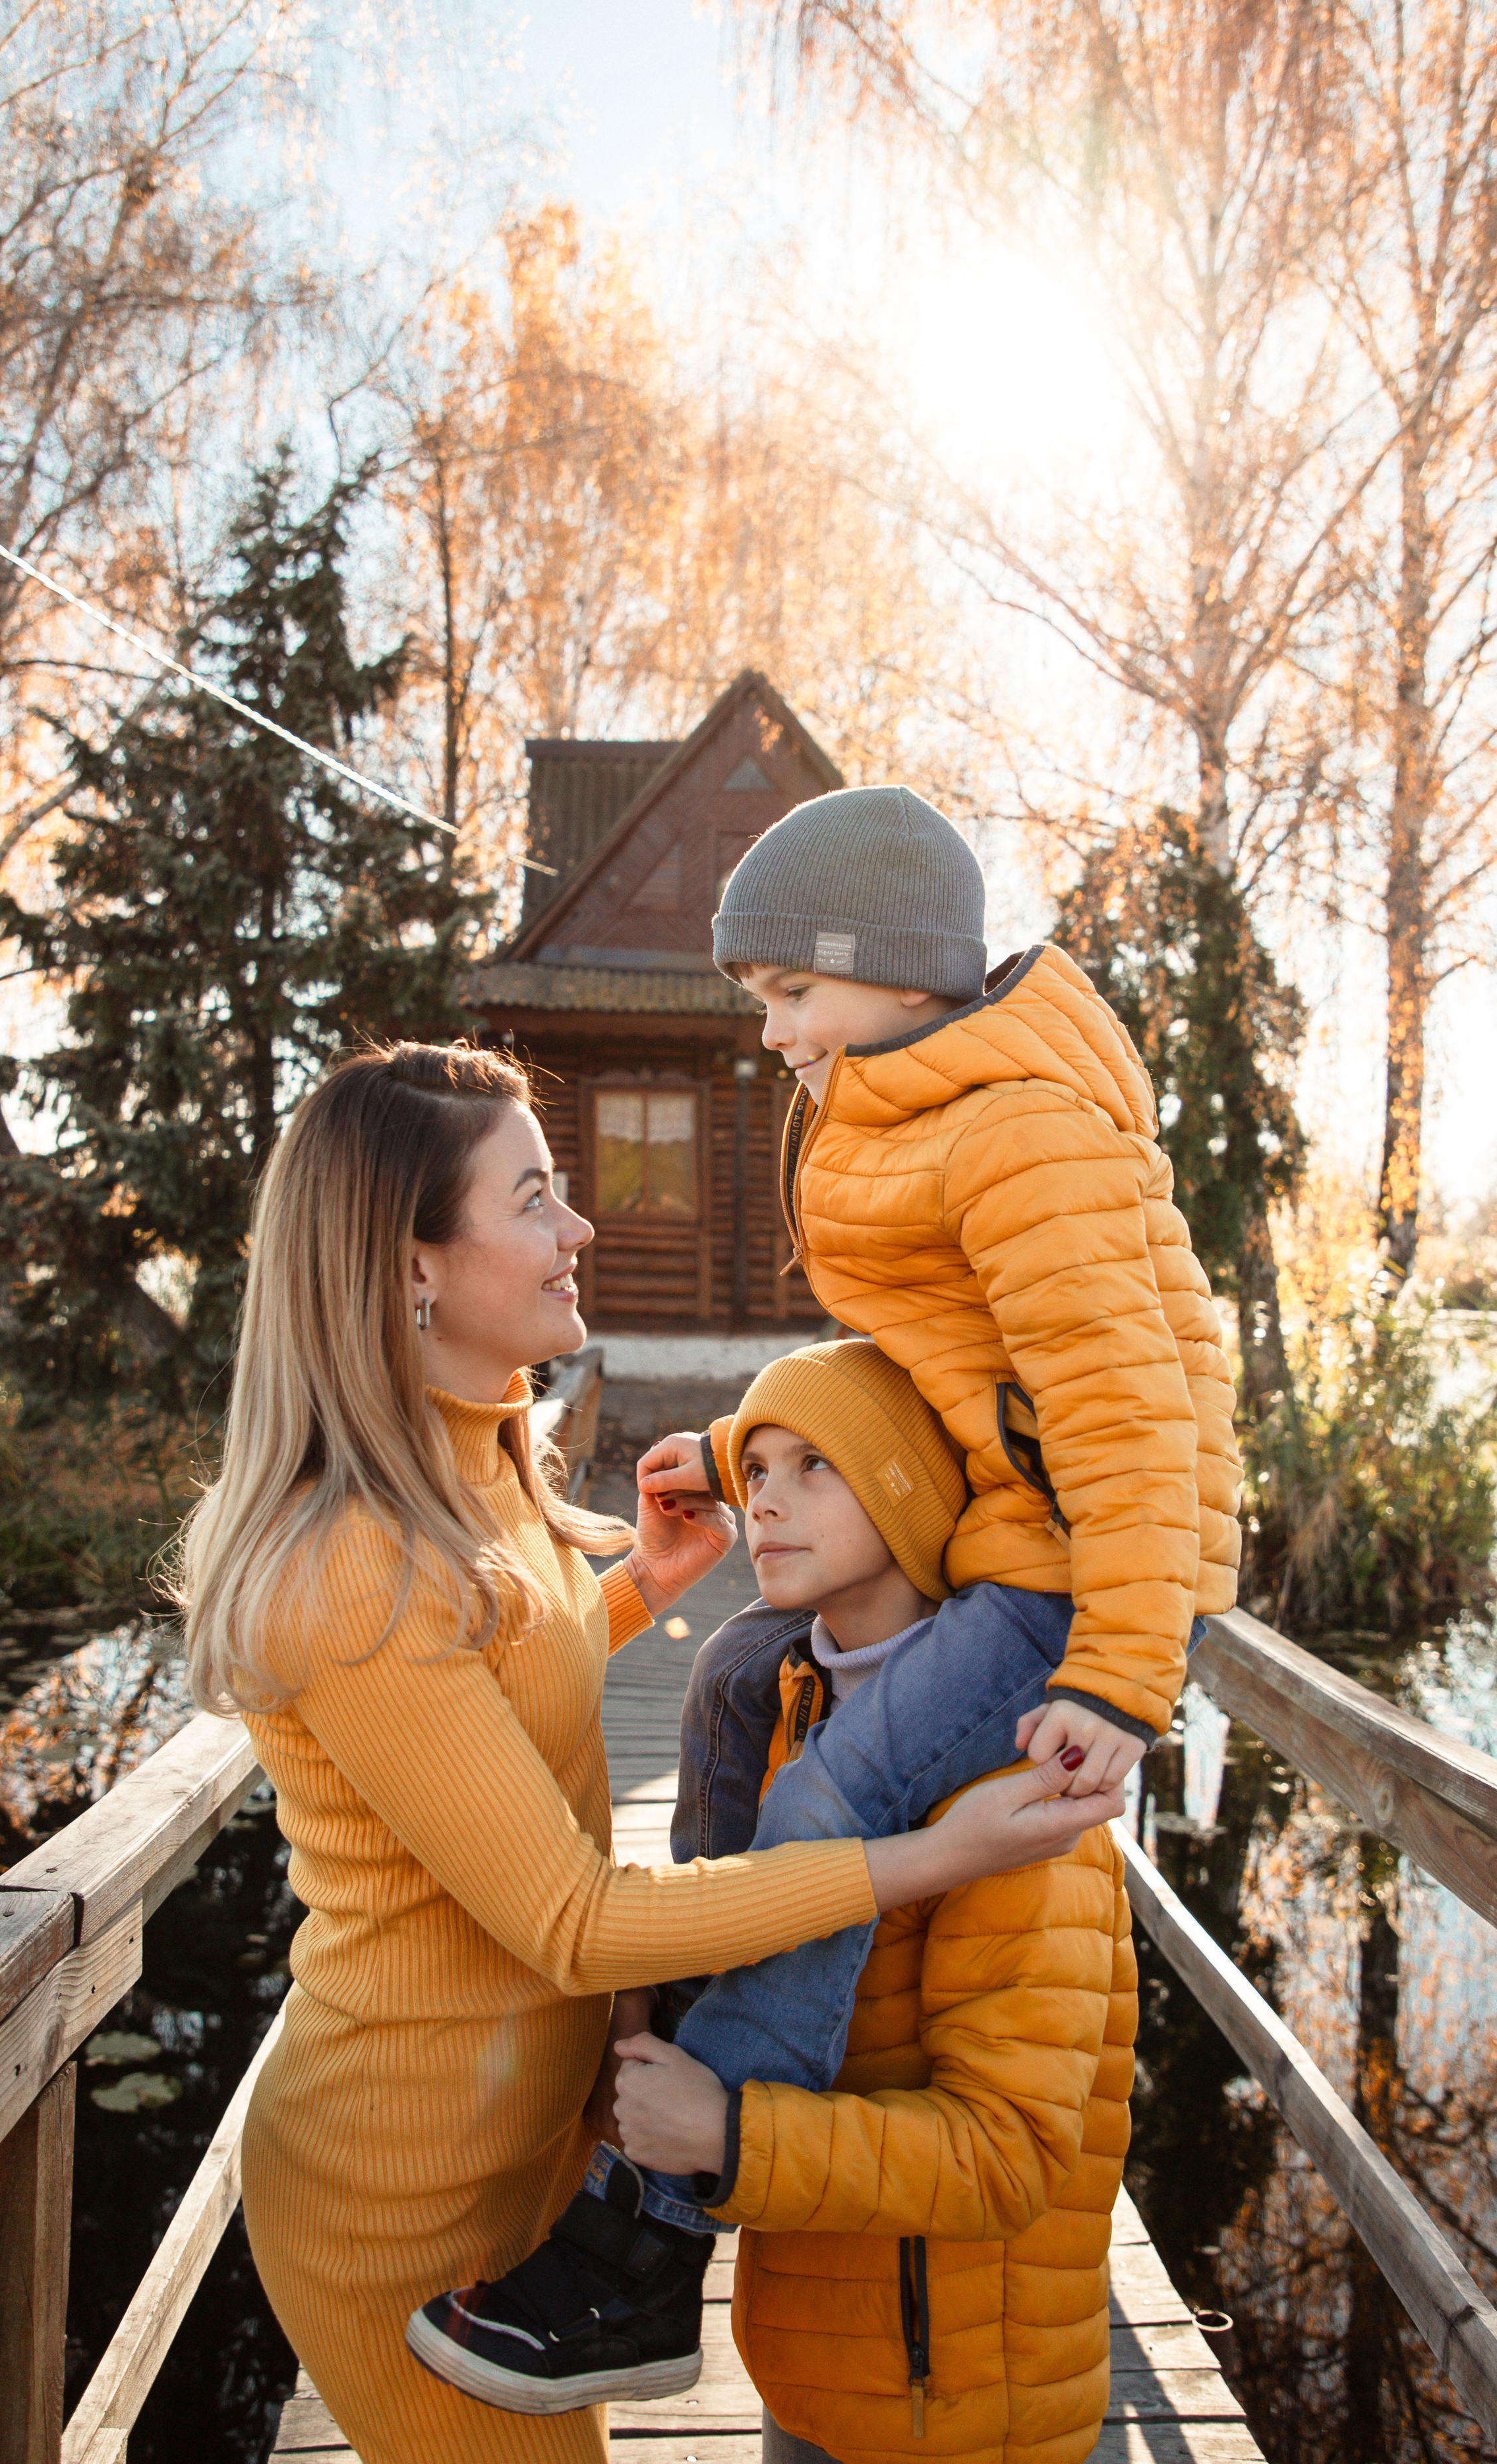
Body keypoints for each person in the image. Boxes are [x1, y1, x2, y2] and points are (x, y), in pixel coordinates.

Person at [417, 788, 1238, 2409]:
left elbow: (1129, 1430)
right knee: (732, 1675)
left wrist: (1119, 1679)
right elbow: (937, 1377)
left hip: (1068, 1571)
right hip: (1013, 1530)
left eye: (792, 994)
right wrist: (743, 1454)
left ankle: (649, 2242)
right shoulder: (914, 1103)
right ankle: (731, 1994)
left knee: (829, 1808)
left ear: (894, 972)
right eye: (760, 1002)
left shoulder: (1014, 1132)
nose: (772, 1032)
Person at [179, 1041, 1113, 2464]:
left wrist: (640, 1591)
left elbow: (481, 1685)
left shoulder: (478, 1457)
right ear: (409, 1264)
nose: (582, 1228)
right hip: (405, 2184)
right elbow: (570, 1918)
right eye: (535, 1200)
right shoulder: (349, 1564)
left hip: (540, 2133)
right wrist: (926, 1855)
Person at [610, 1347, 1139, 2464]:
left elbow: (1012, 2153)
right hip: (808, 2362)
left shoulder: (1020, 1779)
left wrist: (729, 2136)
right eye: (754, 1467)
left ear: (907, 1494)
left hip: (954, 2399)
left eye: (815, 1467)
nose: (763, 1498)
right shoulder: (781, 1706)